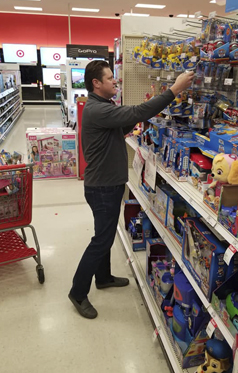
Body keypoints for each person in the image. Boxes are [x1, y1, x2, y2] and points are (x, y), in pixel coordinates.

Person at [68, 60, 194, 319]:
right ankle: (77, 292)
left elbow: (124, 125)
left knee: (104, 234)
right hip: (102, 187)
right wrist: (173, 90)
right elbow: (136, 112)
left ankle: (103, 278)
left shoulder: (103, 106)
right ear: (96, 83)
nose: (115, 81)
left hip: (107, 184)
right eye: (110, 78)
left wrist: (141, 119)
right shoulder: (96, 109)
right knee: (101, 239)